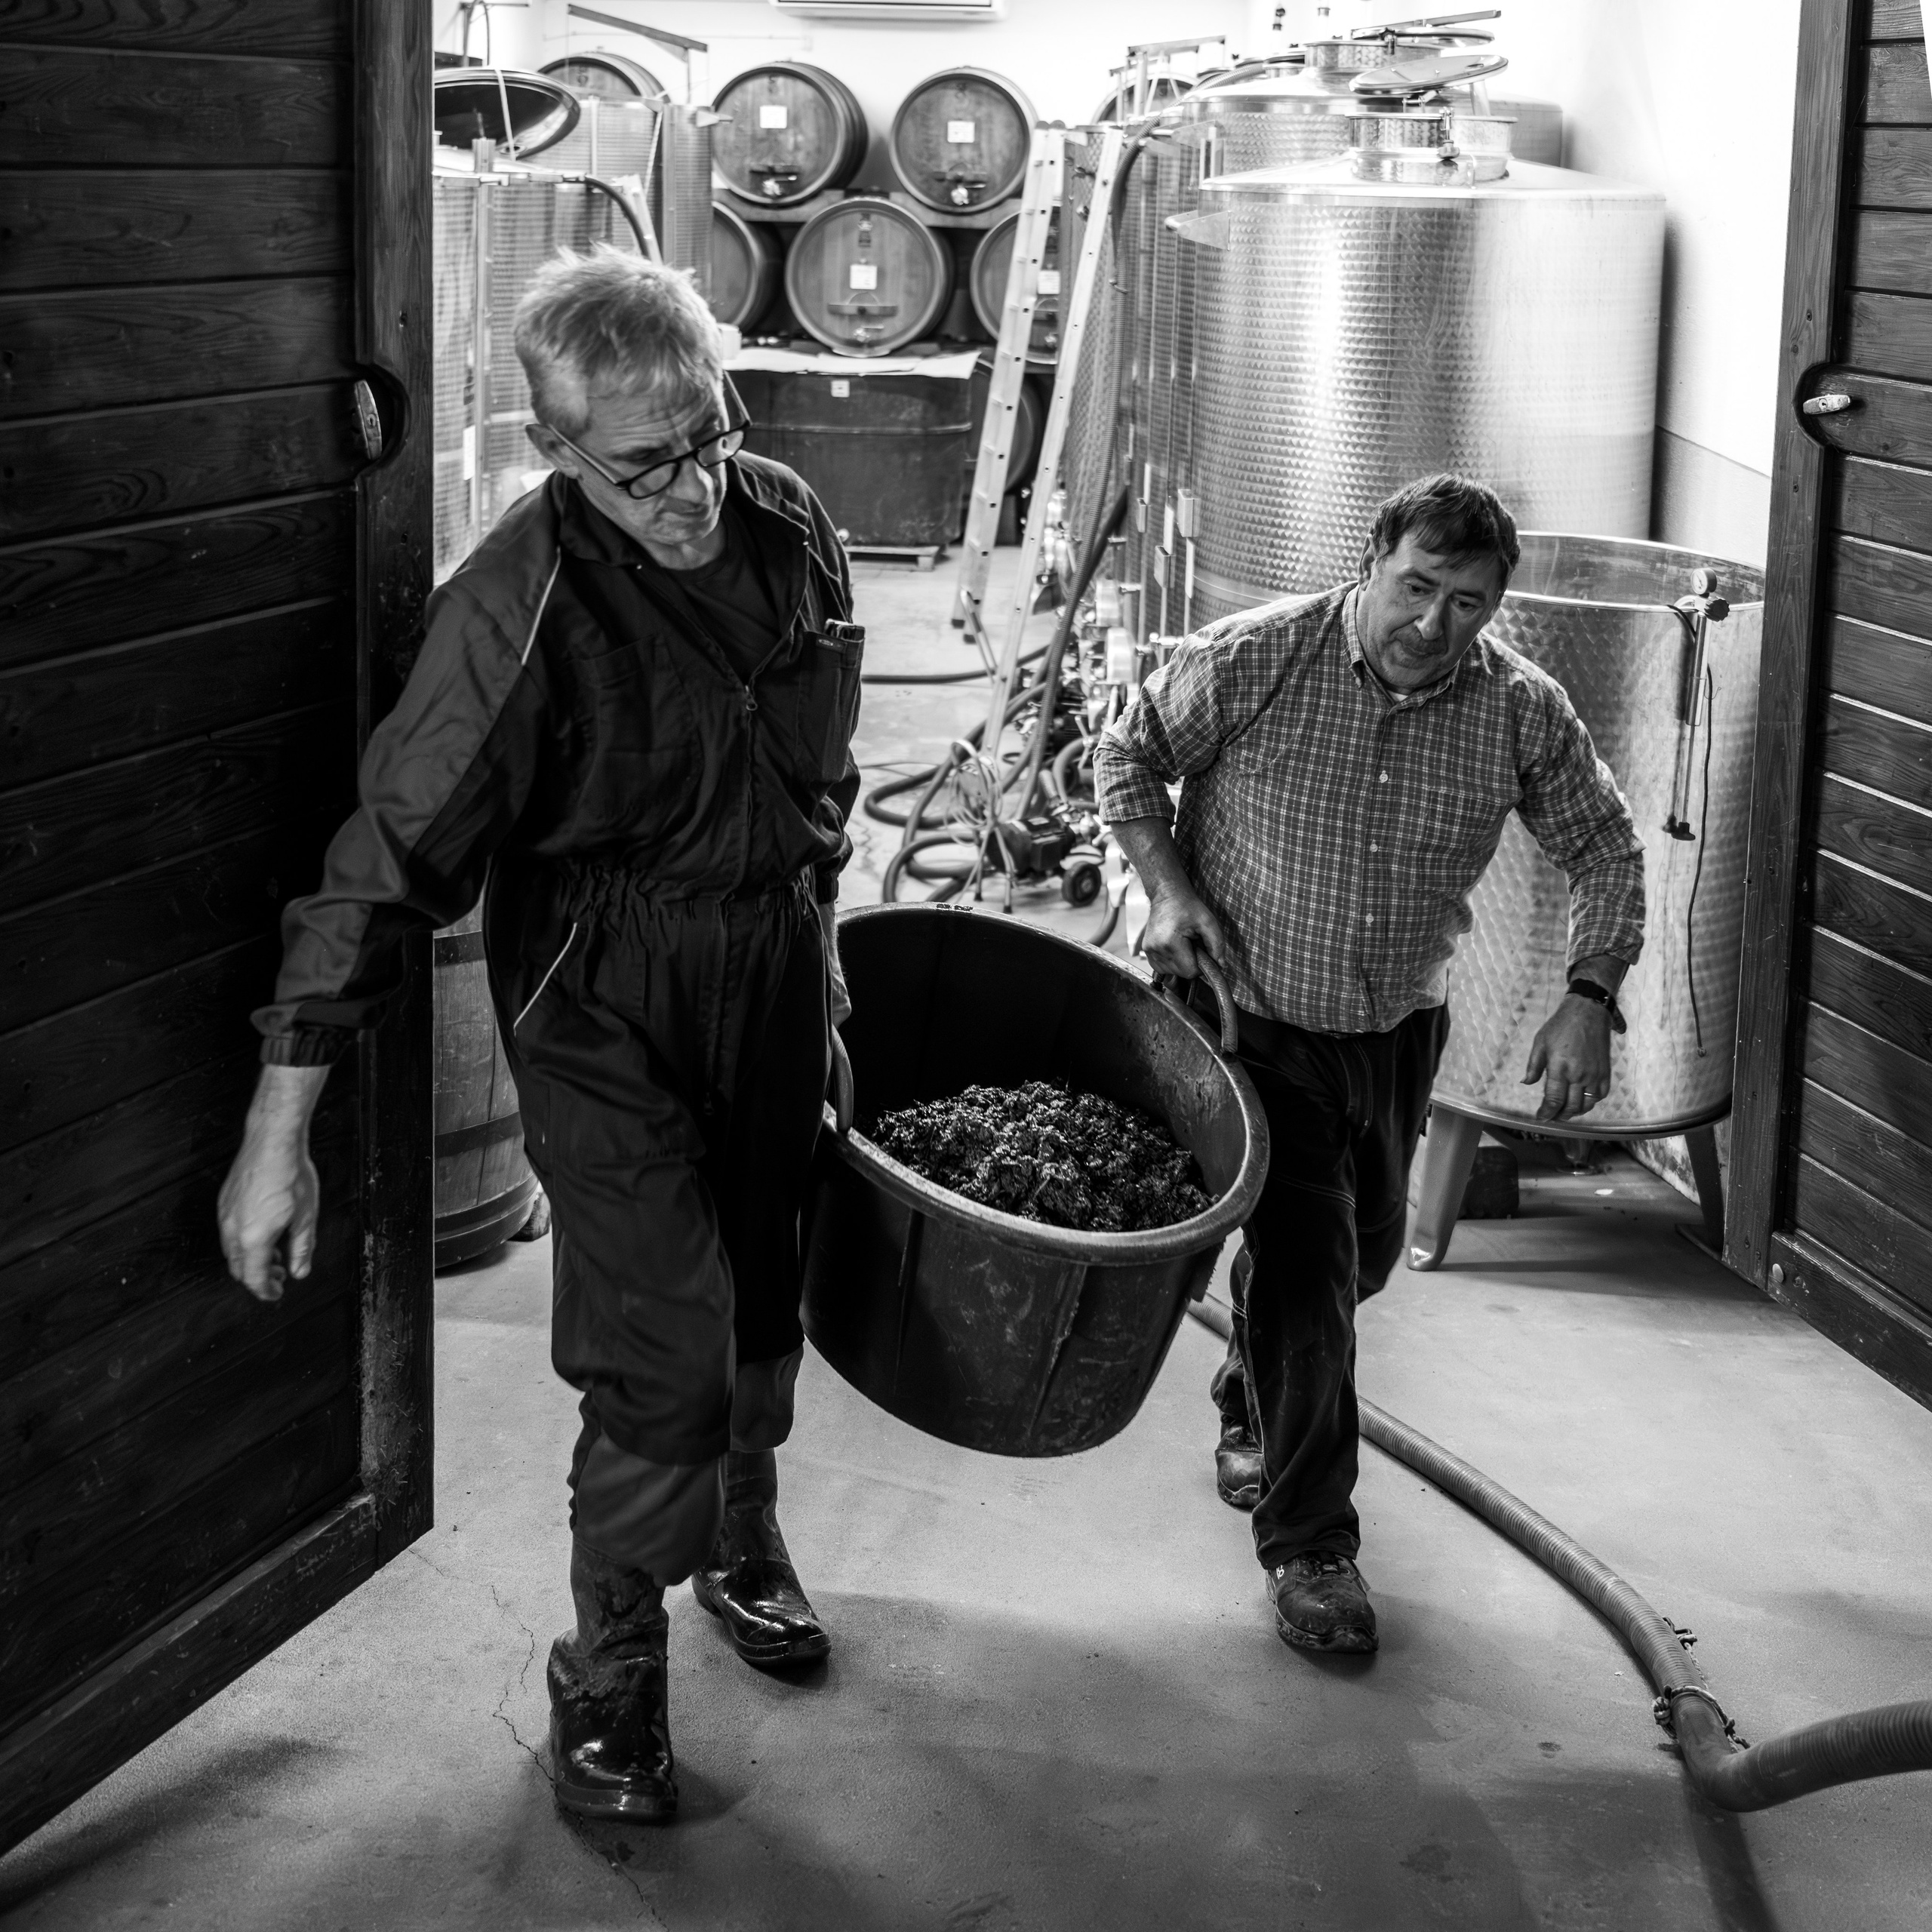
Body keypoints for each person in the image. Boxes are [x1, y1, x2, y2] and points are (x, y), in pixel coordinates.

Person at [216, 248, 863, 1821]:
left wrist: (821, 975)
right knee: (662, 1345)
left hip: (769, 954)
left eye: (709, 433)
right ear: (551, 445)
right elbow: (383, 865)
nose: (694, 485)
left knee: (767, 1286)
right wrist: (274, 1134)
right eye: (645, 465)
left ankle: (738, 1529)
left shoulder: (786, 523)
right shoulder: (514, 604)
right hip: (603, 987)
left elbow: (809, 781)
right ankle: (614, 1657)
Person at [1093, 474, 1644, 1656]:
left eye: (1470, 604)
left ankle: (1249, 1397)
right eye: (1417, 589)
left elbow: (1604, 843)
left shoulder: (1517, 710)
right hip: (1244, 1022)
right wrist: (1170, 888)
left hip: (1397, 1030)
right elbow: (1126, 750)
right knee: (1312, 1275)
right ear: (1371, 562)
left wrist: (1590, 994)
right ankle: (1311, 1548)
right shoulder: (1259, 659)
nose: (1435, 626)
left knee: (1365, 1260)